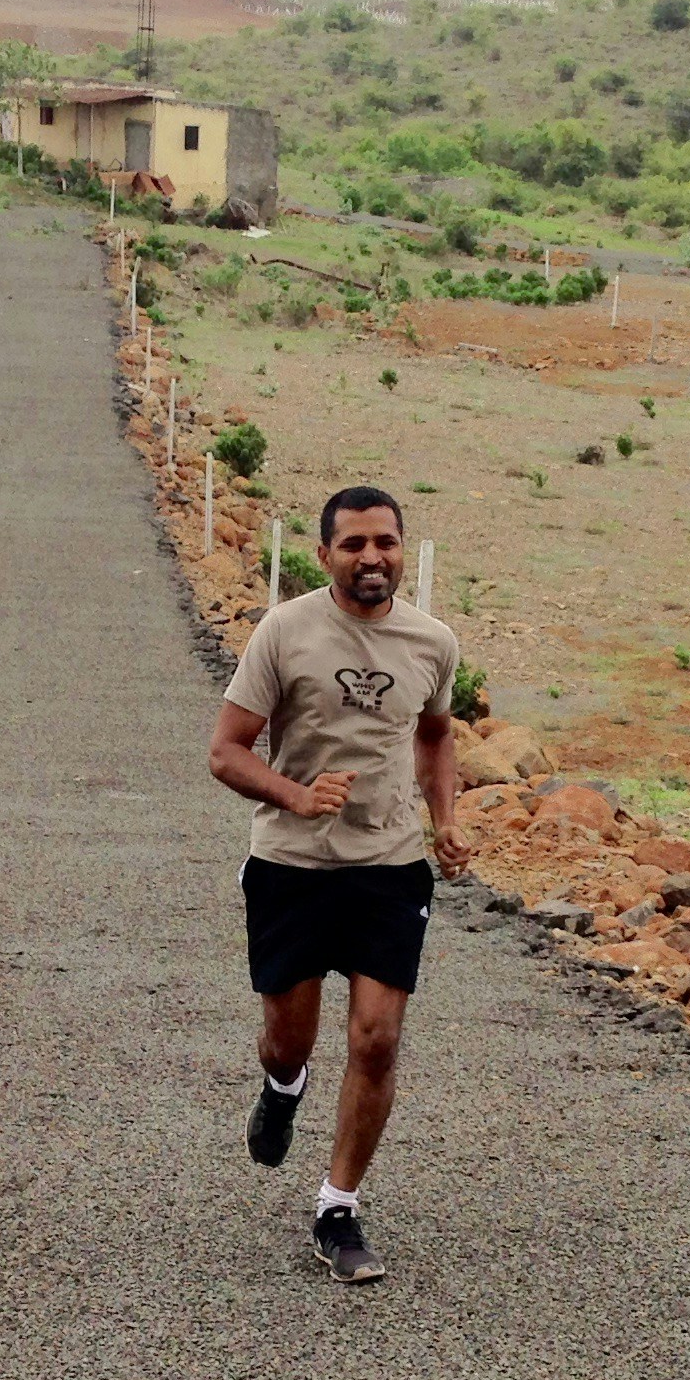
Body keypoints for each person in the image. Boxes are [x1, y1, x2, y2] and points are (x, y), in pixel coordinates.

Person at [207, 485, 466, 1284]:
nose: (372, 558)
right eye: (353, 544)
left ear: (402, 549)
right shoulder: (284, 632)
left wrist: (445, 817)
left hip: (389, 867)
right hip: (291, 864)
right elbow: (227, 751)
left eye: (385, 542)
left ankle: (337, 1207)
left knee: (377, 1037)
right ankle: (284, 1083)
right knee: (292, 1037)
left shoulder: (432, 642)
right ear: (324, 556)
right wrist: (294, 794)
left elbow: (434, 735)